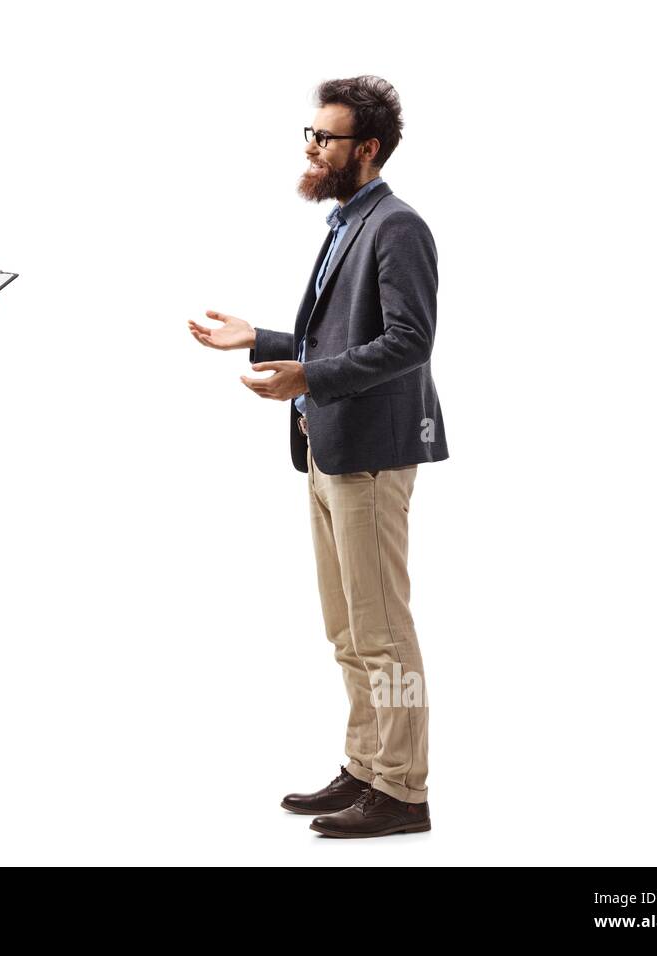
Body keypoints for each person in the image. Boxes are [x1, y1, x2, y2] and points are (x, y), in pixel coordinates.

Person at [188, 75, 447, 838]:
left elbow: (410, 341)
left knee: (384, 632)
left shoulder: (398, 226)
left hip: (371, 454)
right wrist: (265, 341)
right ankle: (367, 768)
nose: (311, 148)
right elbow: (340, 337)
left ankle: (403, 790)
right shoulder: (348, 222)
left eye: (325, 138)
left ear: (366, 148)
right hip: (330, 449)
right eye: (310, 134)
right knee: (348, 630)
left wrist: (309, 378)